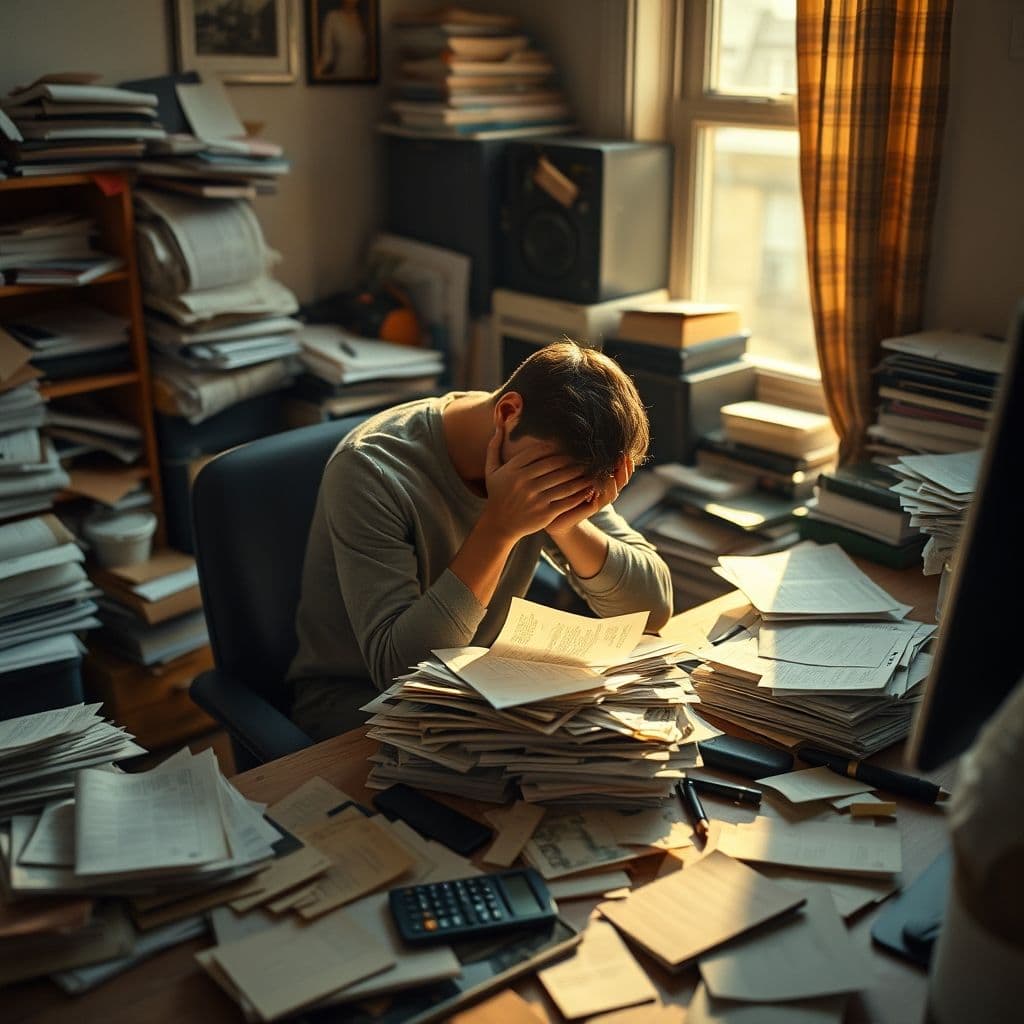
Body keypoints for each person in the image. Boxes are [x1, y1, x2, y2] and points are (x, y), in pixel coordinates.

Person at [287, 340, 673, 740]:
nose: (561, 499)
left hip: (477, 691)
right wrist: (499, 528)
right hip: (357, 709)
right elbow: (402, 674)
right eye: (554, 486)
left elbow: (651, 610)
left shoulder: (557, 454)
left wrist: (566, 524)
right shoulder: (370, 471)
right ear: (508, 414)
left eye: (577, 492)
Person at [316, 0, 368, 79]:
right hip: (341, 78)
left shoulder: (364, 18)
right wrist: (313, 76)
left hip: (363, 82)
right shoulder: (333, 17)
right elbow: (327, 55)